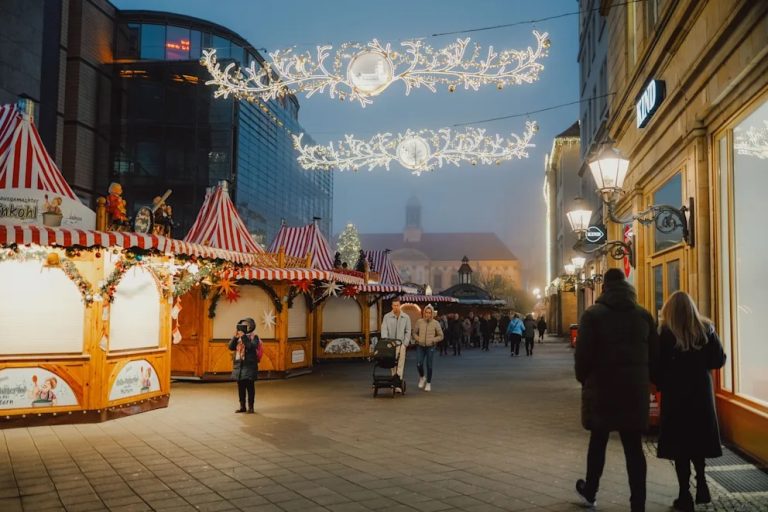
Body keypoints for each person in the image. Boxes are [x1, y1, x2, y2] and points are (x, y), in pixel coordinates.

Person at [574, 268, 659, 512]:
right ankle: (638, 503)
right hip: (634, 392)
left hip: (602, 390)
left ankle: (591, 491)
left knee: (598, 442)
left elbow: (583, 356)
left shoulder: (592, 315)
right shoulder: (643, 315)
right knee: (634, 448)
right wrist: (649, 381)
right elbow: (655, 356)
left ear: (604, 287)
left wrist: (584, 379)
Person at [656, 291, 726, 512]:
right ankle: (702, 482)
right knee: (698, 438)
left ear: (669, 310)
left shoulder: (665, 333)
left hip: (675, 395)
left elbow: (656, 366)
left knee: (680, 445)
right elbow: (718, 359)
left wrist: (661, 383)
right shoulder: (706, 330)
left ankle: (684, 494)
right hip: (700, 394)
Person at [228, 317, 262, 414]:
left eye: (245, 325)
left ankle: (251, 407)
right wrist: (235, 337)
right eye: (241, 325)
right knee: (241, 387)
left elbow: (251, 347)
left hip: (250, 366)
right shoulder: (238, 337)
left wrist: (243, 337)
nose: (243, 327)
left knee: (250, 387)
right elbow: (230, 347)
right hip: (239, 365)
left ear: (251, 326)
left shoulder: (255, 337)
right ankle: (242, 406)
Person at [380, 298, 412, 393]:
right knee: (392, 364)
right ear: (392, 306)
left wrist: (405, 343)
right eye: (394, 305)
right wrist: (386, 342)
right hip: (390, 345)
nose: (396, 307)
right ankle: (393, 382)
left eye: (397, 305)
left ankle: (398, 383)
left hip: (401, 344)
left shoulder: (406, 317)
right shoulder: (387, 317)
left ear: (400, 305)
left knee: (400, 364)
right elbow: (384, 329)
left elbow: (408, 331)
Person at [412, 305, 444, 392]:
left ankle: (428, 383)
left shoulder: (435, 323)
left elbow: (441, 336)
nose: (428, 314)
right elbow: (414, 333)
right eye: (426, 312)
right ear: (424, 312)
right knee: (419, 363)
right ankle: (422, 377)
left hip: (430, 346)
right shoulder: (419, 322)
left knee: (429, 365)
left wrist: (433, 340)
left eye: (429, 313)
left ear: (432, 314)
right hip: (420, 346)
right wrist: (418, 339)